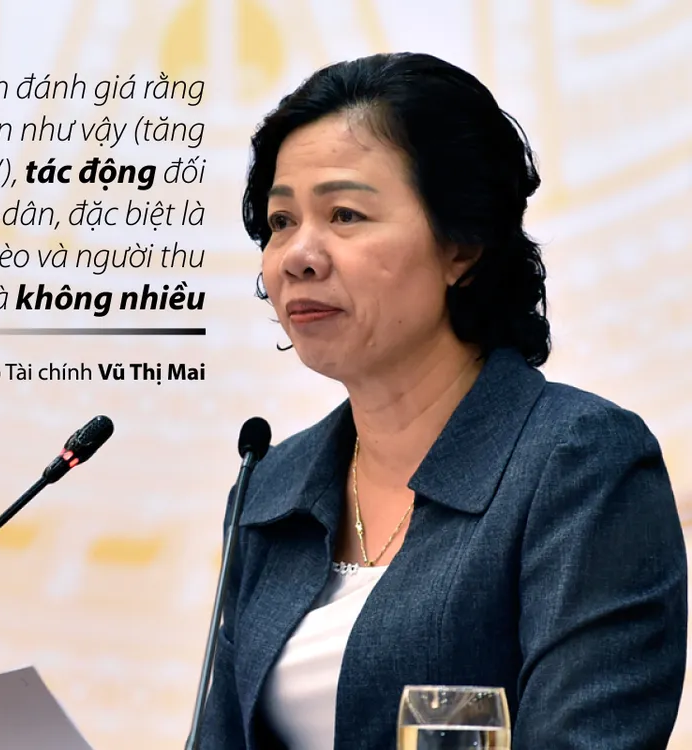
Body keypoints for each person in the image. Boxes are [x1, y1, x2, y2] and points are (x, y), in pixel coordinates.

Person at [199, 52, 687, 749]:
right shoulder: (271, 488)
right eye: (280, 221)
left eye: (344, 214)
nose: (298, 255)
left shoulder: (577, 465)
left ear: (462, 246)